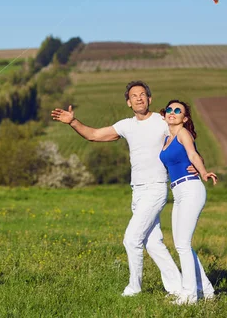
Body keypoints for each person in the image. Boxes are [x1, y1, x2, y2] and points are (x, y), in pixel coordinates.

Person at [51, 81, 185, 297]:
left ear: (150, 99)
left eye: (143, 95)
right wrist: (73, 121)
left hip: (156, 187)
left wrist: (193, 162)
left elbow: (185, 135)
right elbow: (93, 135)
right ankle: (179, 289)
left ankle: (134, 289)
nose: (139, 98)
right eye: (134, 96)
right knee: (152, 242)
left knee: (131, 239)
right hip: (137, 191)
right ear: (128, 103)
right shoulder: (126, 125)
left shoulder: (162, 121)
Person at [159, 100, 217, 305]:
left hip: (191, 188)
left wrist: (203, 172)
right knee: (181, 244)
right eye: (169, 109)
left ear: (185, 118)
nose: (172, 113)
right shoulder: (167, 137)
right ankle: (206, 291)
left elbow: (192, 154)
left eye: (178, 111)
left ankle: (190, 295)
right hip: (178, 191)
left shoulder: (183, 133)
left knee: (183, 244)